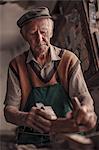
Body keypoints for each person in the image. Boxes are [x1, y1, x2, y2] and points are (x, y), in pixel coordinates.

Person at [4, 7, 97, 150]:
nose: (39, 39)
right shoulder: (16, 65)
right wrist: (25, 118)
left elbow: (83, 96)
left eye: (44, 32)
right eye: (33, 33)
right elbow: (9, 111)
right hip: (31, 138)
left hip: (67, 135)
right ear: (24, 36)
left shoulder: (69, 60)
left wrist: (86, 111)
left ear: (52, 32)